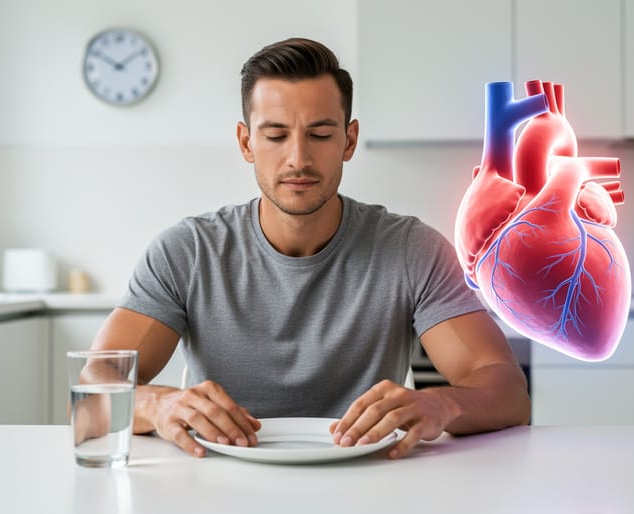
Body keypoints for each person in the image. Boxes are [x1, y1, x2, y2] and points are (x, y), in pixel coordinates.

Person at [90, 37, 530, 459]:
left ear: (349, 140)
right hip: (220, 486)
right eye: (276, 135)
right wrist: (155, 406)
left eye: (320, 135)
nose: (298, 158)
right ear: (246, 143)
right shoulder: (186, 252)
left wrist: (442, 405)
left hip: (370, 481)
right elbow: (94, 388)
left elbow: (507, 391)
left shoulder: (412, 249)